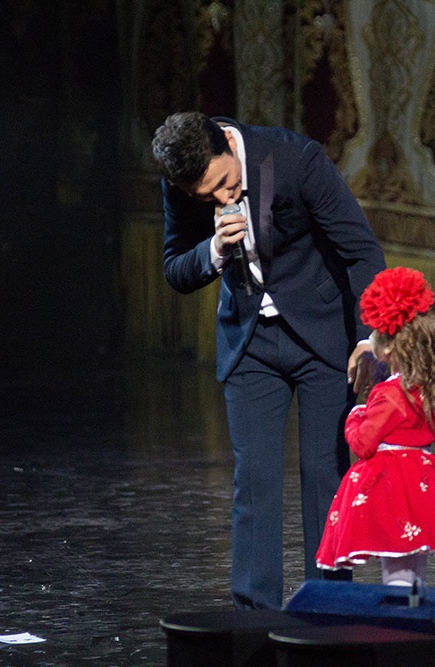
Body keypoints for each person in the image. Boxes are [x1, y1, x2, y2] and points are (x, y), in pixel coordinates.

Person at [151, 112, 386, 610]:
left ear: (227, 142)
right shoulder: (183, 183)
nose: (221, 198)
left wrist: (369, 339)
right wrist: (214, 250)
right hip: (251, 341)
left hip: (324, 334)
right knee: (254, 481)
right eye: (205, 195)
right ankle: (253, 618)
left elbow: (362, 251)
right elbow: (175, 267)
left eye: (224, 182)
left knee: (324, 476)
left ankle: (329, 607)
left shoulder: (296, 159)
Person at [315, 267, 435, 586]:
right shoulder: (425, 388)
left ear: (389, 347)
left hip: (391, 486)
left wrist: (356, 414)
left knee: (396, 568)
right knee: (414, 565)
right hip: (423, 480)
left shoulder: (390, 393)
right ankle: (412, 609)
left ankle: (399, 613)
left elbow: (363, 443)